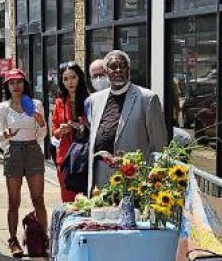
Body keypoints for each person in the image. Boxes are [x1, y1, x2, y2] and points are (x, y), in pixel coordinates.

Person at [86, 50, 169, 192]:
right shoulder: (95, 100)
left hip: (133, 178)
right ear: (106, 72)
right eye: (113, 66)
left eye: (122, 66)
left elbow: (159, 145)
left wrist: (154, 181)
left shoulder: (147, 98)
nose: (118, 70)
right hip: (100, 174)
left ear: (128, 70)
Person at [0, 69, 47, 258]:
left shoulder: (35, 104)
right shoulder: (2, 108)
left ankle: (43, 238)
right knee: (13, 200)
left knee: (38, 198)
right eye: (12, 83)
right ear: (7, 86)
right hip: (13, 150)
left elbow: (42, 135)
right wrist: (6, 134)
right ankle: (13, 239)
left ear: (24, 84)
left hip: (32, 149)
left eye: (19, 82)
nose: (16, 86)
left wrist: (41, 123)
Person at [51, 62, 92, 202]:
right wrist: (61, 130)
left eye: (73, 77)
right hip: (66, 155)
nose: (70, 82)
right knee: (67, 197)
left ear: (79, 77)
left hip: (85, 154)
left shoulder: (90, 100)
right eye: (65, 79)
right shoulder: (59, 102)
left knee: (87, 197)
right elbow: (54, 131)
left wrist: (86, 125)